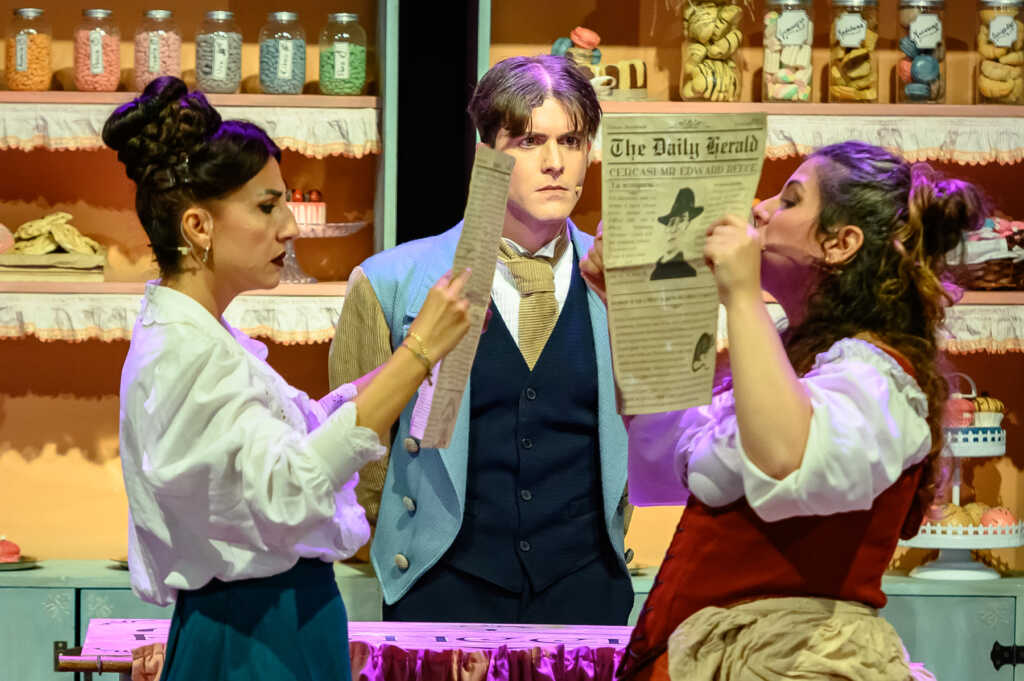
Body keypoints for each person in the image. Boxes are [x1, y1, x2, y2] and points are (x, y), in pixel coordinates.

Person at [108, 76, 471, 681]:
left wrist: (416, 362)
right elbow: (290, 490)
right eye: (267, 206)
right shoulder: (185, 354)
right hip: (254, 636)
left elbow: (297, 442)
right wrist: (418, 350)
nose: (290, 226)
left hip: (277, 626)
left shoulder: (204, 339)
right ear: (198, 226)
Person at [581, 140, 984, 681]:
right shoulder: (793, 359)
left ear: (840, 243)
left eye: (790, 200)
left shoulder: (876, 380)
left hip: (796, 662)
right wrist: (625, 302)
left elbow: (783, 457)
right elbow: (667, 440)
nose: (761, 209)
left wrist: (741, 295)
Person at [328, 55, 633, 624]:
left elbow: (653, 436)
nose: (554, 163)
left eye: (571, 141)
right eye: (528, 141)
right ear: (486, 155)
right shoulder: (390, 282)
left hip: (586, 590)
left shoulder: (622, 282)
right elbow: (359, 455)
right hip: (441, 589)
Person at [650, 187, 703, 280]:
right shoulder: (657, 268)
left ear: (688, 225)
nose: (673, 229)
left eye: (681, 220)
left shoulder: (688, 272)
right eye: (671, 223)